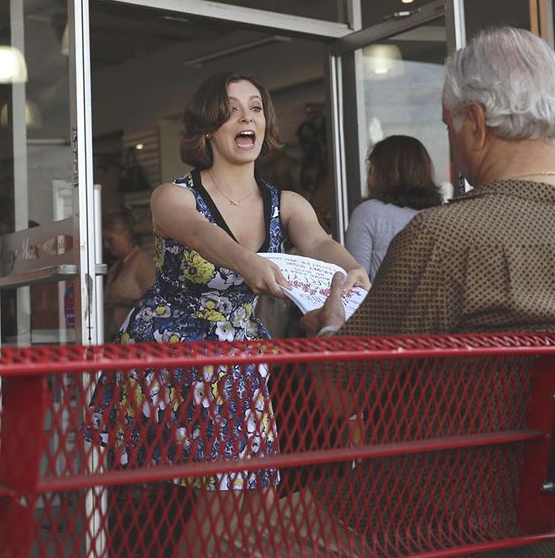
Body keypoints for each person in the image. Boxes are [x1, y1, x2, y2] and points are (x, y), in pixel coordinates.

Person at [304, 27, 555, 558]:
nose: (449, 136)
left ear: (475, 122)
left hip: (431, 521)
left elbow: (339, 394)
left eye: (449, 122)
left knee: (228, 522)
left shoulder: (444, 238)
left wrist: (331, 328)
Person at [87, 70, 369, 557]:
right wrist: (246, 261)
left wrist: (352, 269)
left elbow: (319, 241)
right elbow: (198, 233)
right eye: (232, 108)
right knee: (160, 499)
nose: (247, 117)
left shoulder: (288, 203)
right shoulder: (172, 195)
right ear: (208, 128)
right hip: (169, 360)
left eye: (256, 107)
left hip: (238, 362)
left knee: (245, 491)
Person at [345, 134, 443, 280]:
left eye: (372, 167)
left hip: (382, 302)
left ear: (381, 172)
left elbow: (356, 278)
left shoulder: (369, 212)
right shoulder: (441, 216)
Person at [102, 208, 155, 336]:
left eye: (110, 240)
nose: (107, 246)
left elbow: (155, 302)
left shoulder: (143, 263)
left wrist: (122, 302)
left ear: (124, 234)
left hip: (136, 337)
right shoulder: (116, 266)